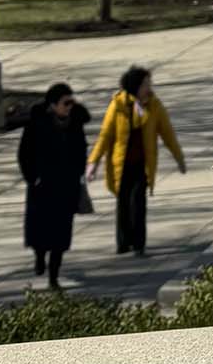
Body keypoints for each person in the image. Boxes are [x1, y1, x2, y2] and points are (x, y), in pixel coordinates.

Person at [86, 66, 186, 257]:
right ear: (135, 86)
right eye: (146, 84)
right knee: (123, 203)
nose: (149, 87)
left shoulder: (155, 106)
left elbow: (167, 133)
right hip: (121, 165)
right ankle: (123, 243)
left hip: (142, 165)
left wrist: (178, 157)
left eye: (150, 83)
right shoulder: (118, 105)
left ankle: (139, 245)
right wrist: (93, 162)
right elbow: (105, 136)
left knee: (138, 203)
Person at [17, 82, 89, 290]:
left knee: (60, 235)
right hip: (42, 187)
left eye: (71, 102)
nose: (69, 107)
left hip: (66, 186)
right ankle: (39, 256)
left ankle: (53, 277)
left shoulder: (75, 123)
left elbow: (81, 150)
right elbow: (24, 154)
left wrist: (79, 172)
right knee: (41, 231)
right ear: (52, 105)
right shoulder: (36, 124)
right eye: (65, 103)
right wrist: (33, 178)